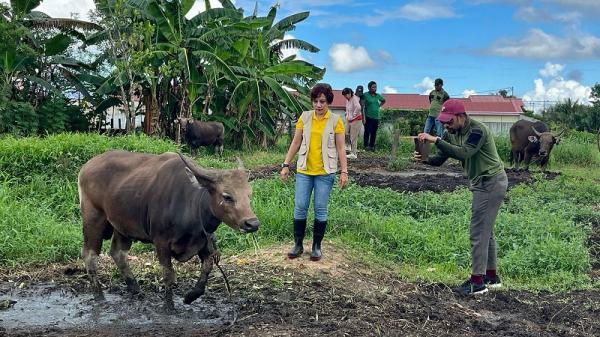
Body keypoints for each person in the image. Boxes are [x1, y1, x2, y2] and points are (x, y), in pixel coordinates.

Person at [414, 99, 507, 296]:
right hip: (482, 182)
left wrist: (436, 140)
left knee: (478, 231)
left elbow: (465, 153)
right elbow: (440, 159)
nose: (446, 125)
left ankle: (477, 282)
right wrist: (425, 160)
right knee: (486, 231)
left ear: (461, 117)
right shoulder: (451, 133)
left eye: (449, 121)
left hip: (491, 181)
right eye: (444, 122)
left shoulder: (477, 130)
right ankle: (491, 277)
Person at [280, 83, 349, 261]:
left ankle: (317, 247)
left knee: (320, 209)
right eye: (316, 101)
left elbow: (341, 148)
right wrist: (286, 164)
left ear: (329, 102)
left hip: (325, 172)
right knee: (300, 207)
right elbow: (295, 143)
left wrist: (344, 172)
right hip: (304, 170)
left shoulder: (336, 121)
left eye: (322, 102)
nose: (319, 105)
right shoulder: (305, 117)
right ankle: (298, 244)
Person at [363, 81, 385, 151]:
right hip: (368, 116)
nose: (374, 88)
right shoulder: (365, 95)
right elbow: (361, 103)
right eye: (373, 87)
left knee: (374, 132)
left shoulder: (378, 95)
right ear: (369, 88)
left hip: (376, 117)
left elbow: (383, 100)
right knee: (367, 131)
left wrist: (379, 105)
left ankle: (372, 146)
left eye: (375, 87)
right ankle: (366, 146)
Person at [342, 87, 363, 159]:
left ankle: (354, 154)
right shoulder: (347, 100)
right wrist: (347, 114)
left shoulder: (355, 98)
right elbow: (348, 108)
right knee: (345, 132)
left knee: (353, 137)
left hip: (356, 120)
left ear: (350, 93)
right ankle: (348, 147)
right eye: (344, 95)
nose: (345, 96)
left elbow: (358, 107)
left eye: (346, 95)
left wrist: (354, 114)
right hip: (349, 120)